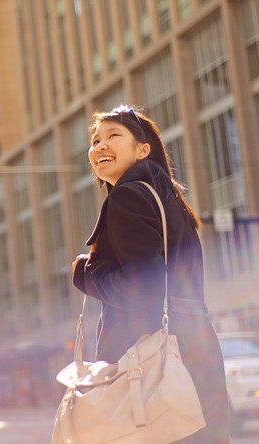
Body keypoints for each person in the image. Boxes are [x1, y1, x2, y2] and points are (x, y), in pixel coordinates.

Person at [72, 105, 230, 443]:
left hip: (150, 366)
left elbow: (142, 289)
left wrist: (87, 273)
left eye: (114, 136)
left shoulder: (128, 197)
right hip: (193, 352)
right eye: (96, 139)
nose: (100, 145)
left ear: (143, 150)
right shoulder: (166, 199)